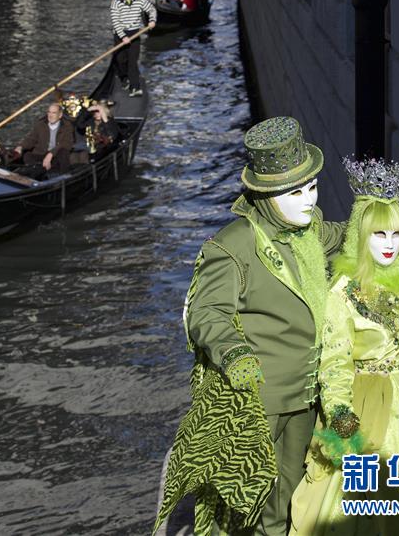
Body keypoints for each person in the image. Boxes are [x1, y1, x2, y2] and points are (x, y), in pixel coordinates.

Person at [154, 117, 346, 536]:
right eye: (294, 192)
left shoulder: (310, 229)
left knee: (292, 493)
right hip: (259, 398)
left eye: (312, 187)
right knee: (250, 499)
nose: (308, 200)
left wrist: (384, 222)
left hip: (306, 393)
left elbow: (345, 236)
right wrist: (235, 354)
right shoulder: (233, 245)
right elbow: (206, 312)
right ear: (264, 195)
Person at [289, 157, 399, 536]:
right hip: (369, 408)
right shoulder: (344, 292)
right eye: (379, 235)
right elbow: (334, 362)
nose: (389, 244)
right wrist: (341, 416)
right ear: (362, 236)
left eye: (396, 234)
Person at [109, 0, 156, 97]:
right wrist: (123, 37)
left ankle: (135, 87)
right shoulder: (115, 2)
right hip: (120, 34)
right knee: (120, 60)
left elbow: (151, 9)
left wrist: (152, 20)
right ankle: (124, 78)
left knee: (132, 62)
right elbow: (115, 22)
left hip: (135, 34)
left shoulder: (139, 0)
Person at [14, 102, 74, 175]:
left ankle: (62, 177)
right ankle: (35, 173)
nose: (50, 115)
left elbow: (66, 143)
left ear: (60, 115)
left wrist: (50, 154)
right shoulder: (40, 125)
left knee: (63, 152)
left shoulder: (67, 126)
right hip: (41, 154)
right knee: (27, 155)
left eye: (54, 113)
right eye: (49, 112)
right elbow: (31, 139)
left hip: (56, 155)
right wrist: (21, 146)